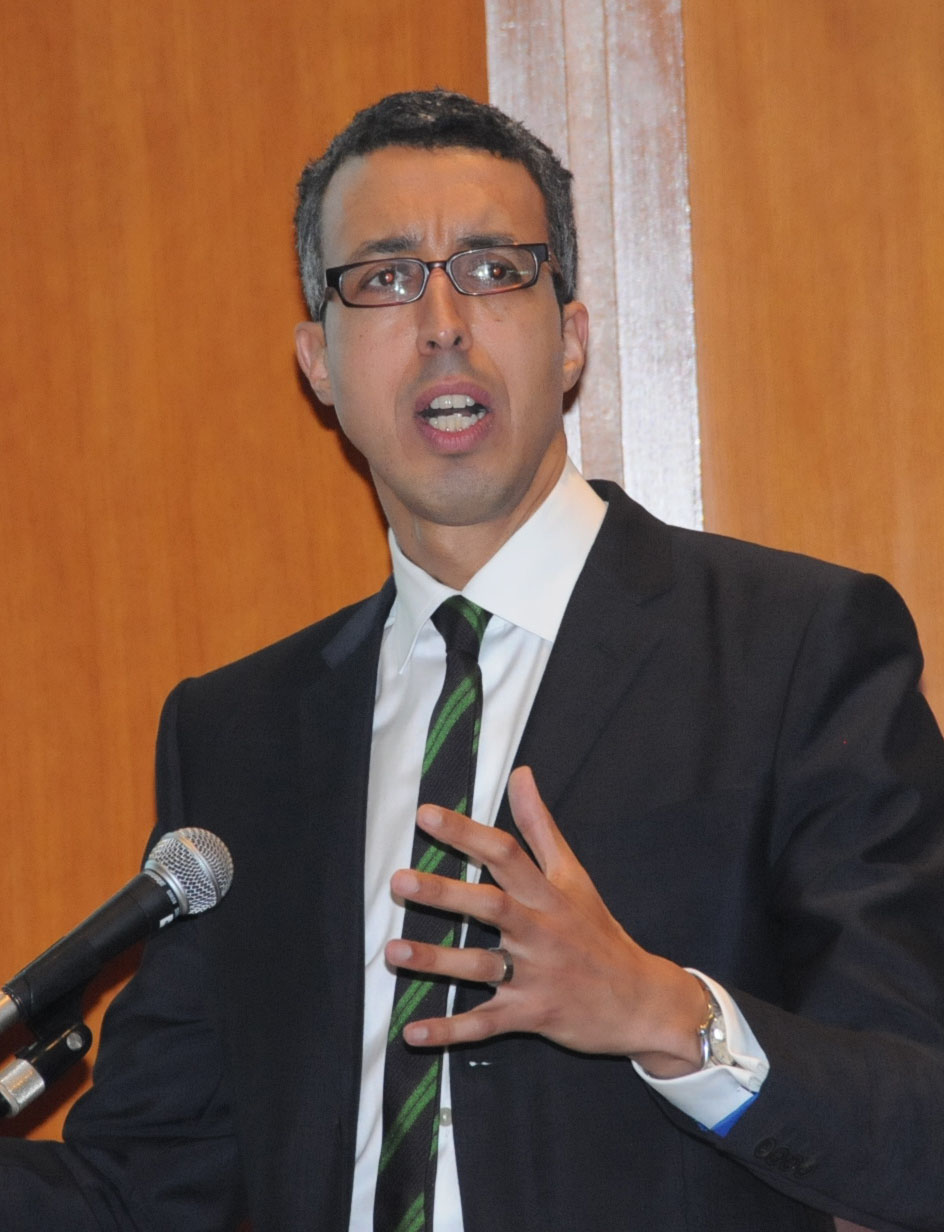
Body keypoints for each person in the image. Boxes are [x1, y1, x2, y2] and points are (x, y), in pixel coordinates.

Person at [2, 88, 944, 1232]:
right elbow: (145, 1186)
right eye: (385, 277)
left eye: (494, 270)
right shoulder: (239, 733)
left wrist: (664, 1012)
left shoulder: (789, 647)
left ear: (571, 335)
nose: (443, 320)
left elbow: (917, 1134)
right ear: (317, 362)